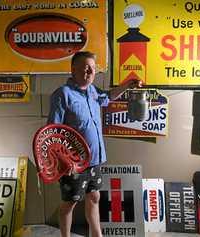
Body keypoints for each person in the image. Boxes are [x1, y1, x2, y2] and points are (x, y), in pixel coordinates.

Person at [47, 51, 140, 237]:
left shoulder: (93, 91)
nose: (90, 71)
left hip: (96, 159)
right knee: (69, 203)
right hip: (74, 163)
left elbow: (109, 96)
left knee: (94, 197)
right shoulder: (62, 94)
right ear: (73, 69)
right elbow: (52, 131)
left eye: (93, 68)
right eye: (86, 67)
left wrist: (128, 85)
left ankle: (97, 235)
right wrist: (63, 161)